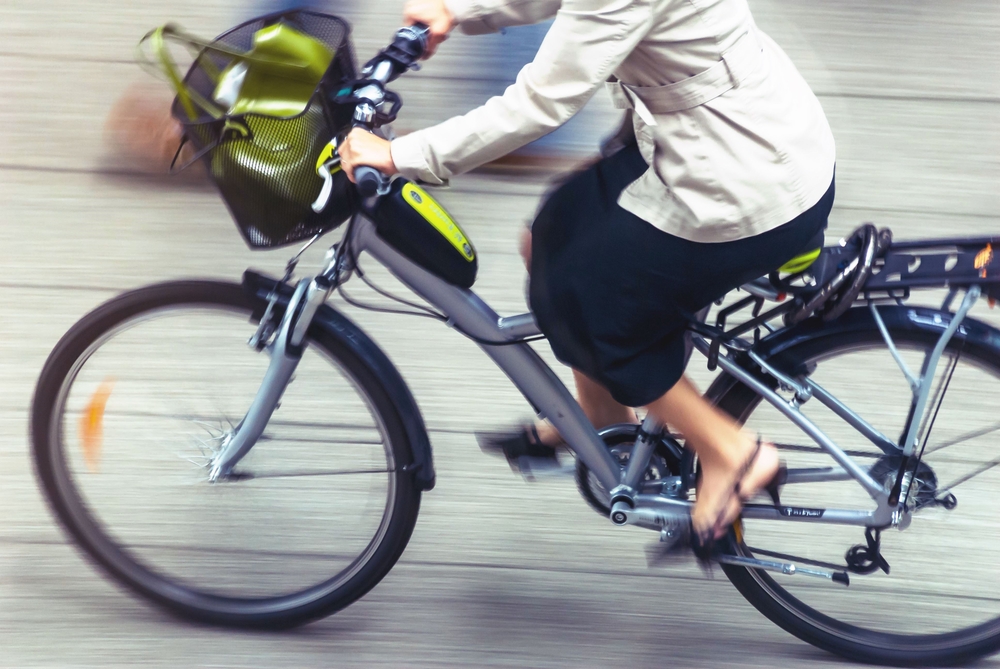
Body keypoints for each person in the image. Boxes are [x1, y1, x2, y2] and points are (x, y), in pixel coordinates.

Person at [337, 0, 836, 557]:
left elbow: (540, 103)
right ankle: (604, 423)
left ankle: (731, 451)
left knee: (589, 304)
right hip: (725, 137)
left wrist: (401, 154)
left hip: (742, 176)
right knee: (549, 237)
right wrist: (457, 10)